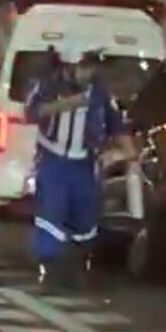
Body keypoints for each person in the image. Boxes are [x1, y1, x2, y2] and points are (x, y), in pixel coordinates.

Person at [26, 42, 133, 289]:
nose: (89, 72)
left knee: (85, 217)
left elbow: (116, 125)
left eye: (92, 67)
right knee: (52, 211)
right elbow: (31, 112)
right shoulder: (48, 86)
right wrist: (66, 104)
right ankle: (49, 269)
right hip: (53, 162)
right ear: (70, 65)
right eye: (85, 66)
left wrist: (129, 155)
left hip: (84, 164)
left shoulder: (100, 94)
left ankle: (80, 264)